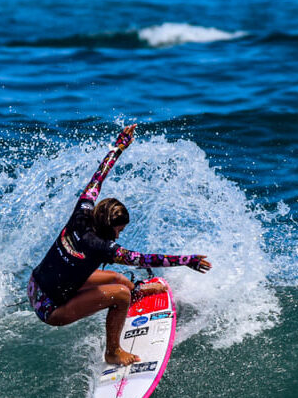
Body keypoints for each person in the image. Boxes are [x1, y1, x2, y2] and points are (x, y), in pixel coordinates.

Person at [28, 124, 211, 366]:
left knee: (118, 279)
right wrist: (188, 260)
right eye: (119, 230)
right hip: (49, 308)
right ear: (110, 226)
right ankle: (113, 352)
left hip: (35, 286)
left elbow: (98, 178)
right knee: (121, 295)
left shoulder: (82, 213)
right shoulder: (102, 247)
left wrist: (119, 147)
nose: (119, 236)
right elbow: (145, 260)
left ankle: (136, 293)